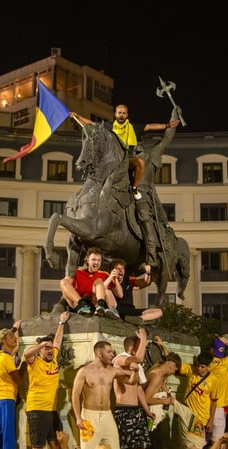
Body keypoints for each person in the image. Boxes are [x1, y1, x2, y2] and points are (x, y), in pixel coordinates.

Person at [70, 106, 181, 269]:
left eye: (123, 113)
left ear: (127, 115)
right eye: (119, 113)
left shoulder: (135, 131)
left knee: (144, 213)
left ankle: (151, 252)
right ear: (115, 114)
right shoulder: (109, 127)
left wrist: (167, 125)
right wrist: (78, 116)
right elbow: (92, 124)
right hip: (113, 168)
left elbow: (150, 127)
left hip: (131, 171)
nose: (121, 115)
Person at [71, 340, 141, 449]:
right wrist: (78, 417)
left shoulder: (113, 370)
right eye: (109, 351)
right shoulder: (84, 371)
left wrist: (135, 371)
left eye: (112, 351)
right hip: (89, 416)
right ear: (99, 353)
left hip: (107, 415)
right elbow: (75, 395)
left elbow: (131, 381)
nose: (112, 354)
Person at [23, 311, 69, 449]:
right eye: (46, 348)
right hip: (37, 409)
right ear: (41, 351)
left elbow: (58, 340)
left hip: (52, 410)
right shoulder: (35, 362)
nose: (50, 350)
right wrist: (40, 345)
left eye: (50, 348)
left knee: (55, 445)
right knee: (37, 447)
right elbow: (26, 354)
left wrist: (61, 322)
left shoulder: (54, 359)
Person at [112, 328, 151, 449]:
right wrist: (144, 338)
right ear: (131, 347)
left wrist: (146, 409)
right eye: (140, 345)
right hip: (124, 410)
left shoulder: (136, 365)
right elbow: (138, 359)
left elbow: (139, 388)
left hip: (136, 411)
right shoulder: (121, 359)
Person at [177, 351, 218, 449]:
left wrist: (211, 421)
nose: (200, 369)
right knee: (187, 444)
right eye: (199, 366)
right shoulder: (191, 370)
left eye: (203, 367)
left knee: (197, 448)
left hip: (201, 419)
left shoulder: (213, 380)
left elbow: (214, 402)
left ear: (208, 366)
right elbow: (175, 364)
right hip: (188, 414)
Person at [143, 351, 182, 449]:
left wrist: (165, 390)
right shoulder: (156, 376)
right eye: (173, 371)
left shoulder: (159, 374)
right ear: (171, 366)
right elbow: (146, 398)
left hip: (157, 417)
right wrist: (163, 401)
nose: (172, 374)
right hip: (151, 417)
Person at [59, 246, 120, 319]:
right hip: (79, 302)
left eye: (98, 260)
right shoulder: (78, 273)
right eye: (94, 259)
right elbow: (66, 286)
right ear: (87, 260)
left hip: (94, 301)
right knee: (63, 281)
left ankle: (101, 306)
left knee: (99, 281)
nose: (96, 262)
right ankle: (82, 305)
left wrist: (114, 278)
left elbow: (119, 294)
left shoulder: (104, 275)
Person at [108, 259, 162, 325]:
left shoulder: (128, 279)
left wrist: (148, 273)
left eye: (122, 268)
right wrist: (115, 278)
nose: (120, 270)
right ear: (112, 270)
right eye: (118, 268)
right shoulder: (109, 281)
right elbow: (120, 295)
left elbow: (145, 283)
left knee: (159, 312)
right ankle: (127, 318)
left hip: (131, 309)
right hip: (119, 310)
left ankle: (137, 319)